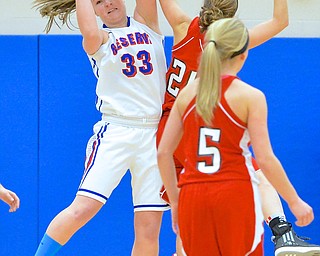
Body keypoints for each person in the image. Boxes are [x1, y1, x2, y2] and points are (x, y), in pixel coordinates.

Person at [157, 0, 320, 255]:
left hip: (173, 132)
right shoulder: (242, 76)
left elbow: (162, 153)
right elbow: (280, 21)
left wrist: (176, 204)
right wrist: (295, 201)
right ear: (241, 51)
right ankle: (282, 231)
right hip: (216, 158)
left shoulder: (182, 28)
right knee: (258, 171)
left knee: (188, 236)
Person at [34, 0, 169, 255]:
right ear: (94, 10)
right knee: (83, 208)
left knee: (149, 226)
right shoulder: (98, 39)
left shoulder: (148, 24)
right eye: (98, 2)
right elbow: (89, 29)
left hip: (154, 134)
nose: (107, 3)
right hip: (116, 131)